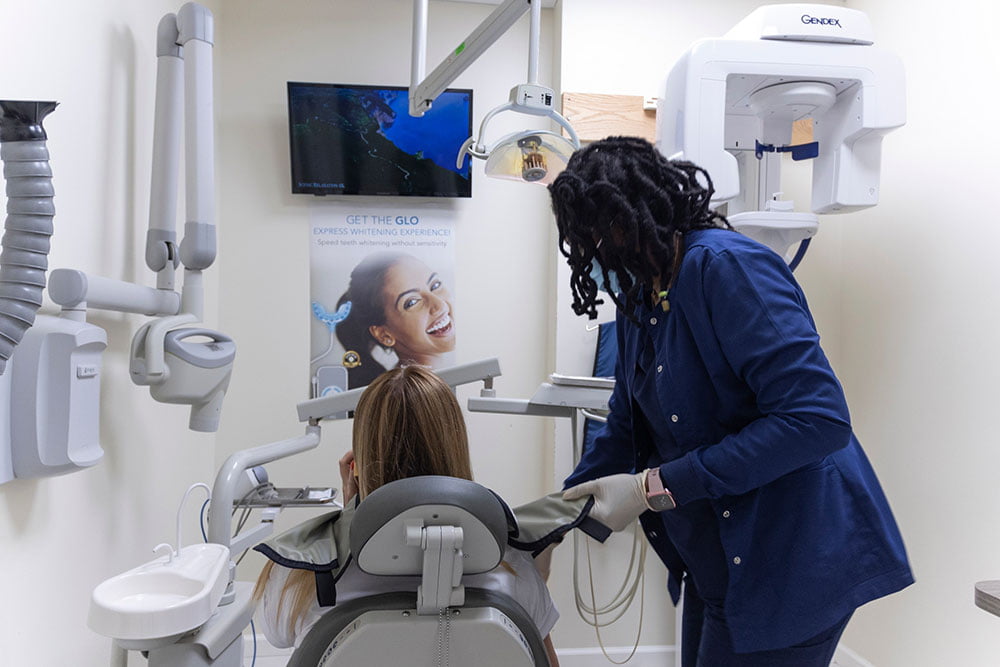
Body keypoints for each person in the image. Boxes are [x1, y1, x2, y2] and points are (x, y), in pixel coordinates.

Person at [551, 136, 913, 666]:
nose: (592, 256)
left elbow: (817, 420)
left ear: (634, 218)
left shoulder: (726, 269)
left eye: (598, 237)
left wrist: (653, 487)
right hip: (719, 556)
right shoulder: (640, 295)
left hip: (793, 557)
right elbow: (627, 427)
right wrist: (552, 517)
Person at [253, 366, 562, 666]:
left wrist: (350, 515)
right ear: (456, 451)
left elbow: (278, 634)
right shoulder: (512, 568)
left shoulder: (304, 575)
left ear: (357, 465)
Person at [332, 252, 456, 388]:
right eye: (412, 302)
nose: (440, 305)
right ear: (384, 335)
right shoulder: (401, 396)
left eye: (435, 285)